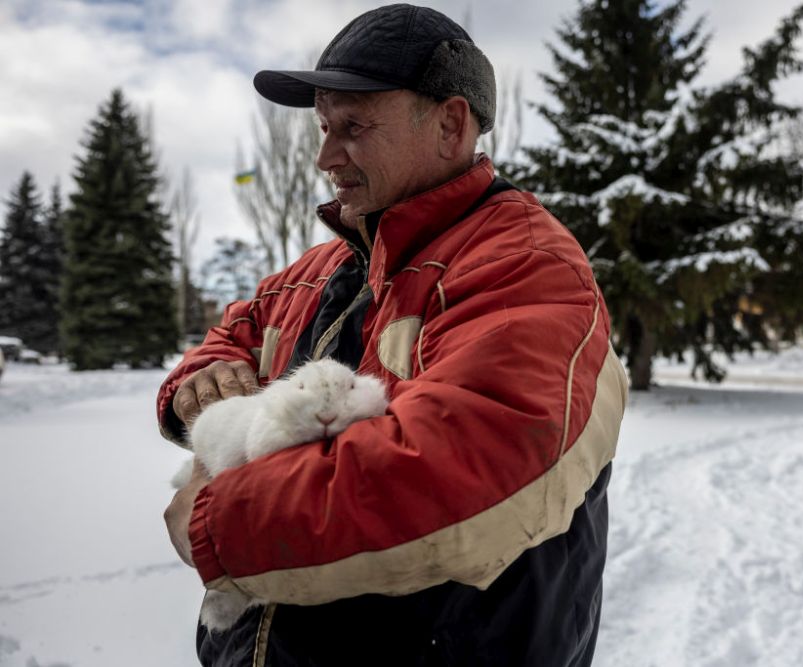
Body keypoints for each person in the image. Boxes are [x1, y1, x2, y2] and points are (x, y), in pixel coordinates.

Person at [159, 4, 627, 665]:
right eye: (323, 128)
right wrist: (200, 381)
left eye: (352, 126)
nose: (324, 156)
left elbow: (455, 462)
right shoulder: (322, 269)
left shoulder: (524, 264)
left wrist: (217, 525)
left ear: (450, 124)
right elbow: (235, 330)